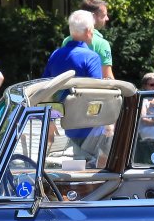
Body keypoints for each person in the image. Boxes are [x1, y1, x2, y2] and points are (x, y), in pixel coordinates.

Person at [44, 9, 107, 162]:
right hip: (88, 126)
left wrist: (50, 120)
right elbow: (96, 93)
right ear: (89, 31)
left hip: (62, 123)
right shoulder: (91, 57)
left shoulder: (55, 55)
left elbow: (44, 90)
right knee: (89, 167)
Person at [61, 0, 114, 79]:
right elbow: (108, 77)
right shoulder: (102, 44)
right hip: (92, 87)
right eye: (103, 15)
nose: (107, 18)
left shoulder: (66, 41)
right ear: (92, 17)